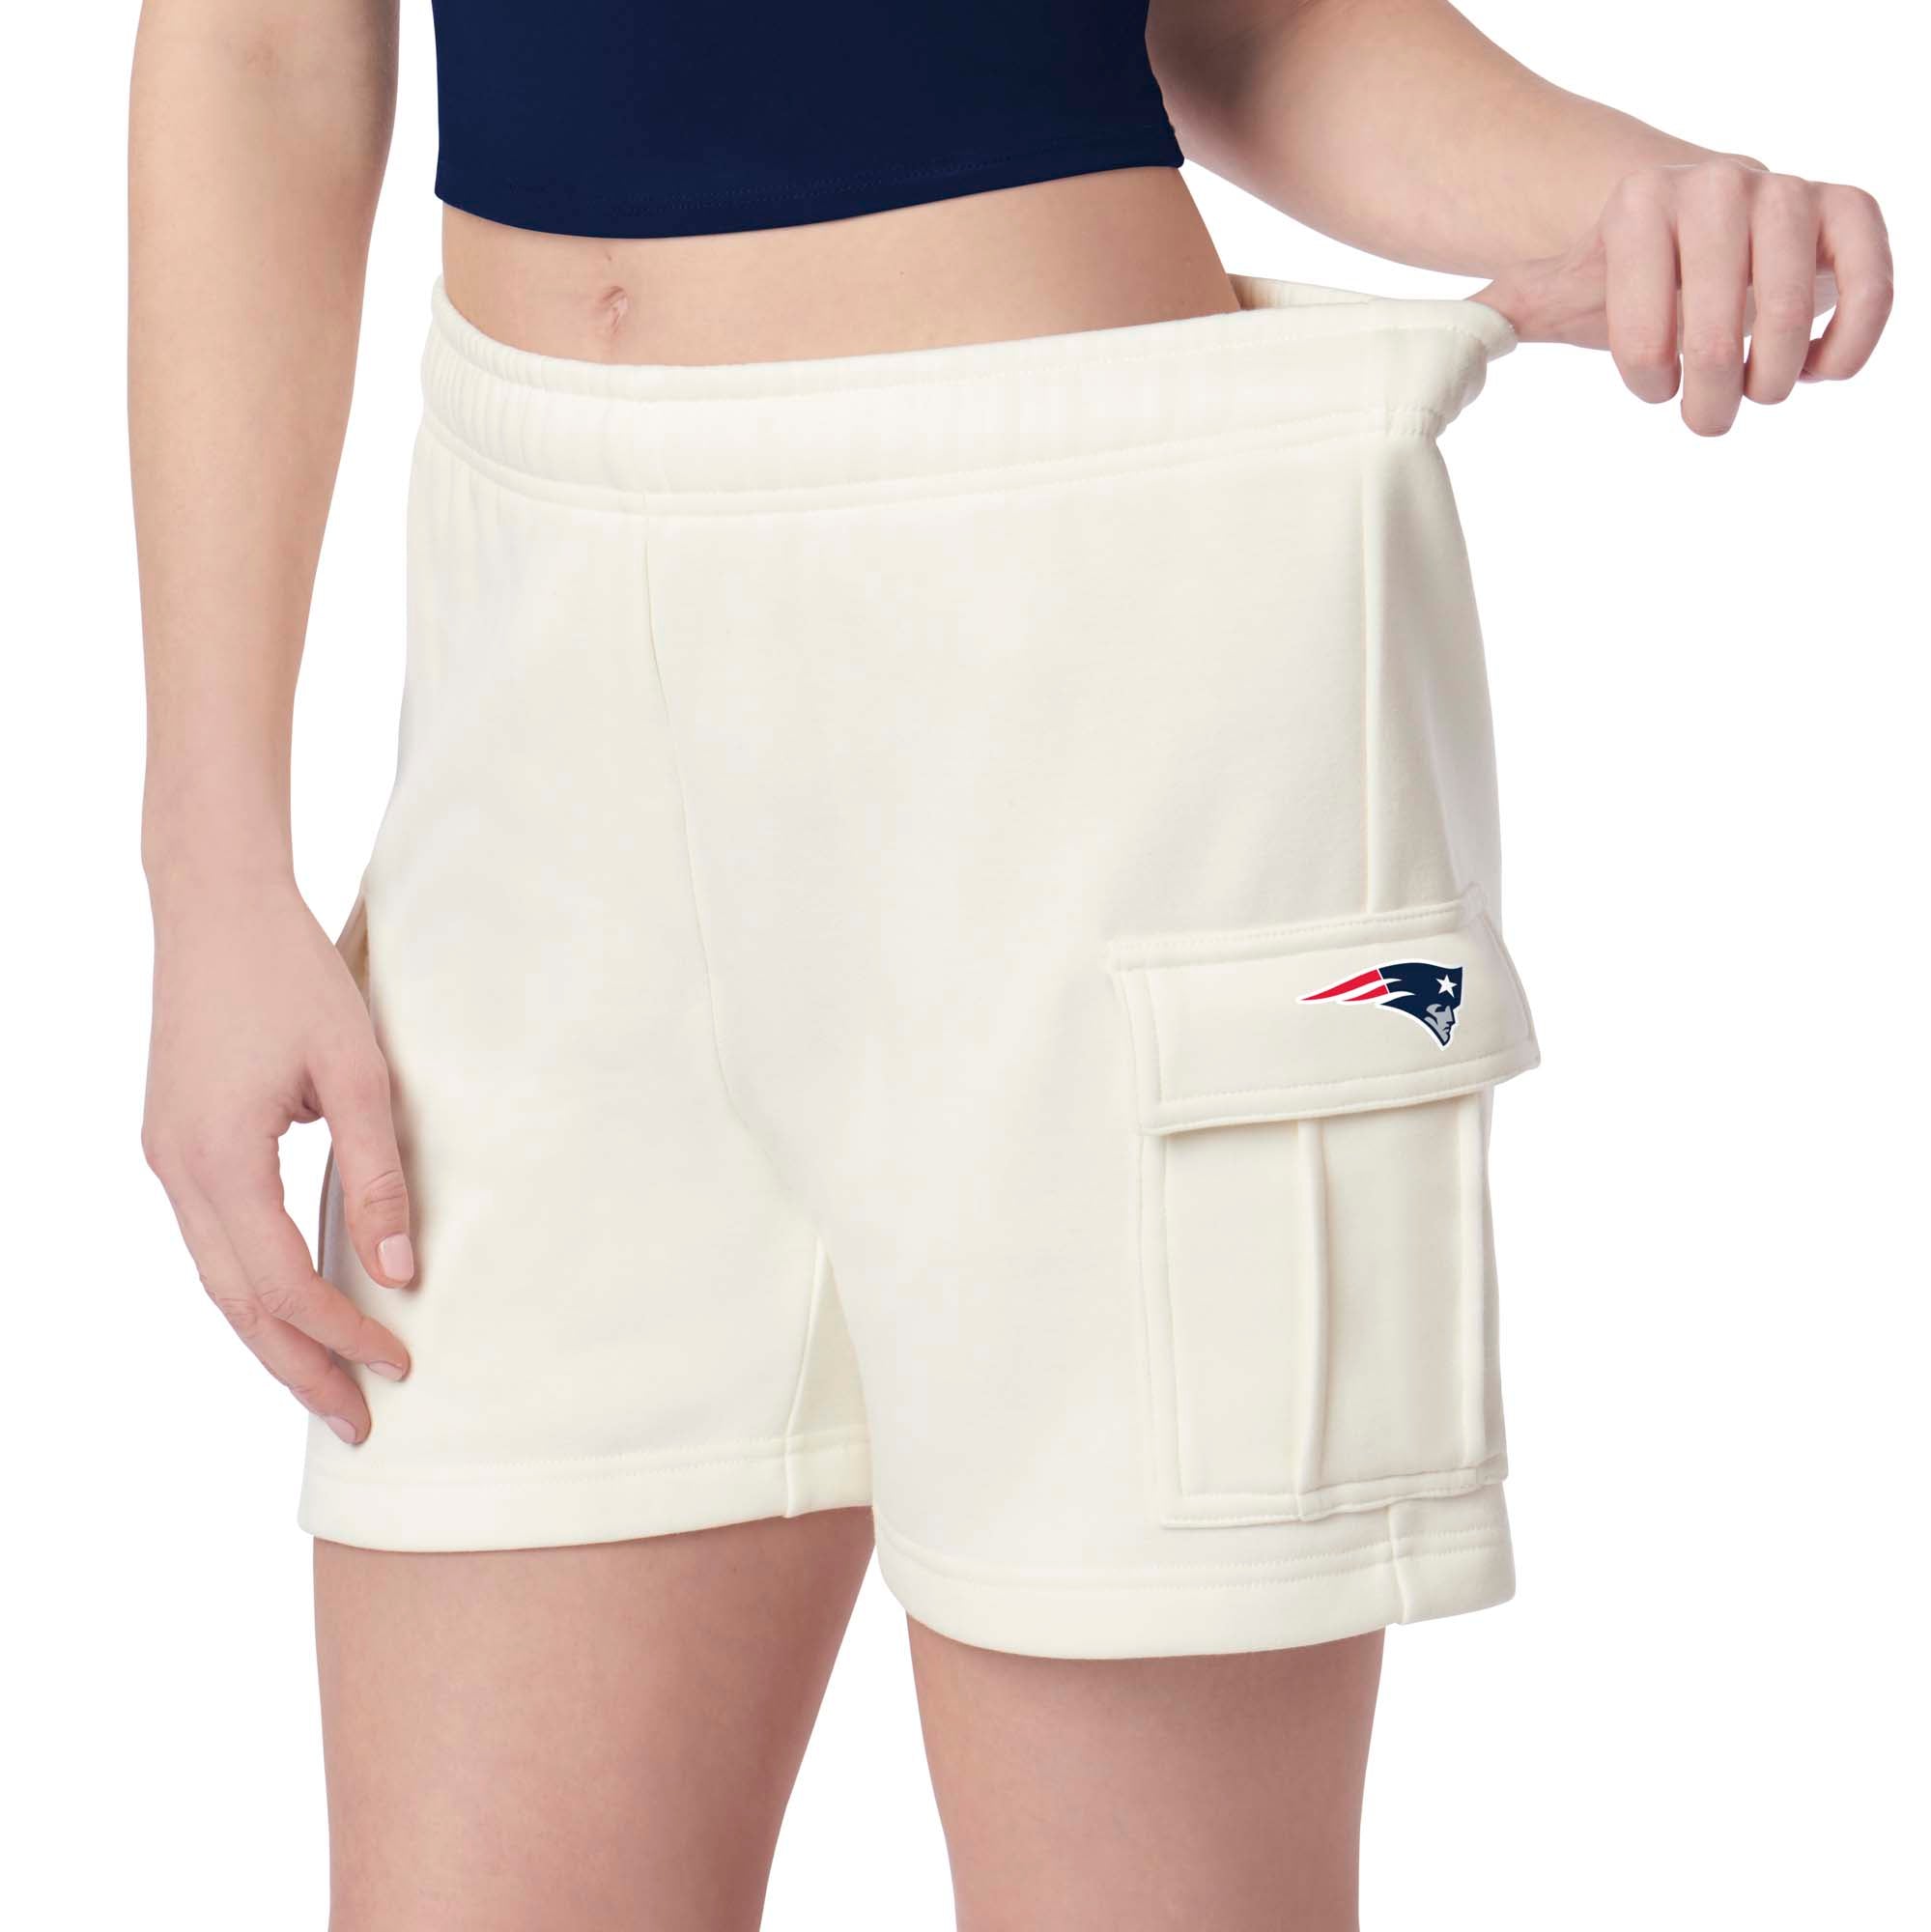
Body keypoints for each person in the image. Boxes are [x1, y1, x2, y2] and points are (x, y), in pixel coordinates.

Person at [129, 2, 1891, 1926]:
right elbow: (257, 45)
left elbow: (1256, 24)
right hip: (530, 673)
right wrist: (208, 858)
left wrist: (1656, 207)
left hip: (1102, 653)